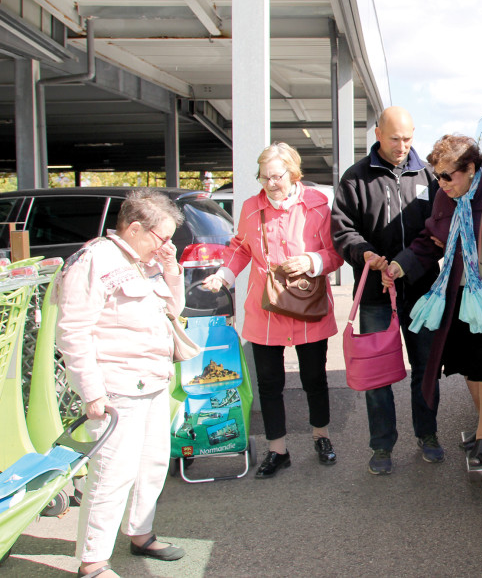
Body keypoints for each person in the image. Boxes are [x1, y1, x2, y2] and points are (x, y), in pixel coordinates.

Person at [55, 189, 188, 578]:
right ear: (135, 228)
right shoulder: (95, 260)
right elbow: (73, 331)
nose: (166, 245)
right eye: (163, 237)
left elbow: (174, 310)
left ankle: (140, 533)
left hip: (152, 380)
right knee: (112, 474)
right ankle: (93, 560)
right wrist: (92, 391)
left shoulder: (145, 261)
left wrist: (171, 269)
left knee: (151, 464)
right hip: (117, 386)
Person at [203, 142, 343, 478]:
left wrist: (312, 261)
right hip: (265, 309)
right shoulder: (251, 207)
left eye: (277, 176)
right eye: (264, 177)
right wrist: (223, 274)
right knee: (269, 382)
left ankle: (321, 435)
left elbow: (335, 252)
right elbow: (241, 247)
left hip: (308, 304)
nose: (270, 184)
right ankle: (277, 449)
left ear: (293, 174)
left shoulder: (317, 205)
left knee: (314, 378)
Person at [384, 134, 482, 467]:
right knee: (468, 364)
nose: (442, 183)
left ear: (471, 168)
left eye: (448, 176)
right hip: (458, 293)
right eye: (438, 176)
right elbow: (429, 239)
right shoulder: (445, 198)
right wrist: (401, 264)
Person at [332, 105, 442, 475]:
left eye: (408, 138)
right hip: (375, 293)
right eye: (394, 138)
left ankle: (427, 434)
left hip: (423, 289)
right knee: (377, 373)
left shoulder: (428, 174)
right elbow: (342, 229)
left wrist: (406, 263)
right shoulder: (355, 178)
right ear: (377, 134)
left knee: (426, 367)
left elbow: (437, 231)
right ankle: (381, 445)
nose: (402, 145)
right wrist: (365, 253)